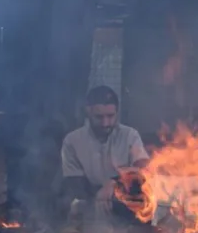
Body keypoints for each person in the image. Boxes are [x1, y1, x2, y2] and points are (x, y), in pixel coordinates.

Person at [61, 86, 149, 217]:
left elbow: (144, 170)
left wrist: (114, 184)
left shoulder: (130, 135)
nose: (105, 123)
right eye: (99, 117)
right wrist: (100, 195)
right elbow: (74, 183)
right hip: (91, 206)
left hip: (128, 207)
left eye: (110, 116)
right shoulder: (72, 141)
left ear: (117, 112)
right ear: (88, 112)